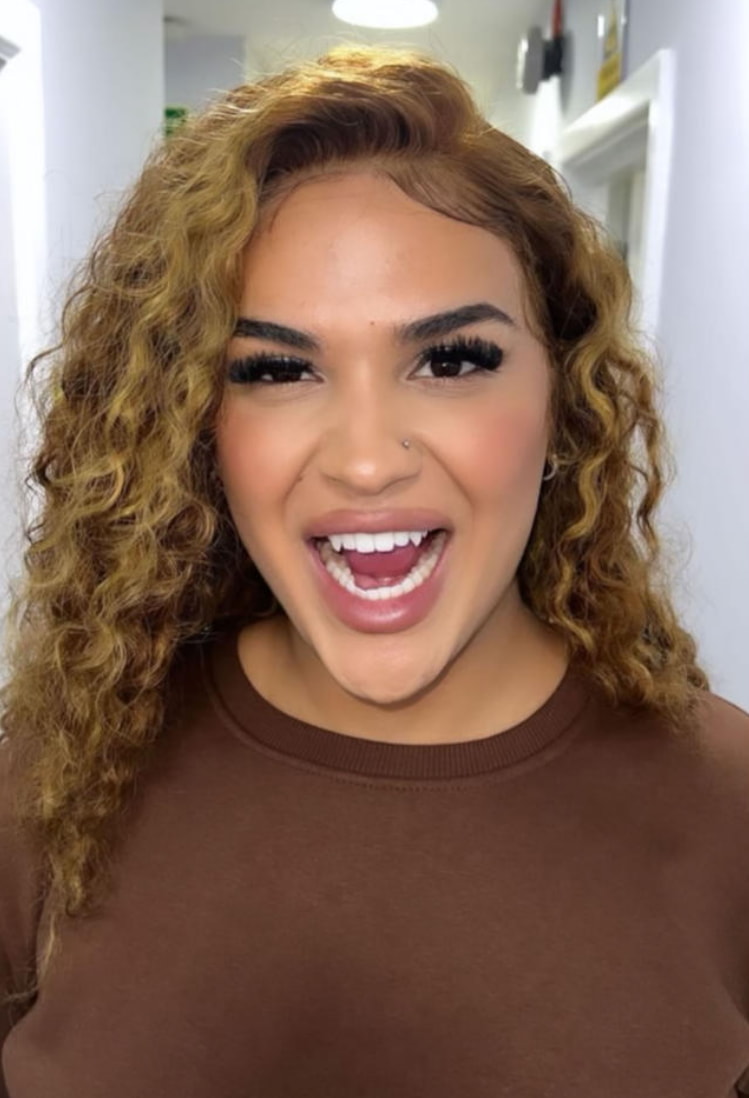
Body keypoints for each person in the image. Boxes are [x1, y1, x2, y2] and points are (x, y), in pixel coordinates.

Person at [1, 44, 747, 1098]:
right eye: (274, 370)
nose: (363, 457)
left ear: (561, 398)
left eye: (450, 361)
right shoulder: (54, 779)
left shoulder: (728, 803)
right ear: (197, 429)